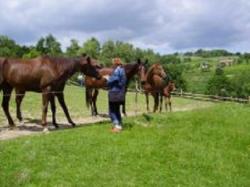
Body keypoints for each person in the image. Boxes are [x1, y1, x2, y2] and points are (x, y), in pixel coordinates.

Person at [104, 58, 127, 133]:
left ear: (115, 64)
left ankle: (117, 126)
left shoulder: (117, 71)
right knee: (117, 110)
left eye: (113, 64)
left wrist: (107, 78)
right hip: (120, 94)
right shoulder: (123, 70)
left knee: (112, 111)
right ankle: (120, 125)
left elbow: (112, 80)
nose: (112, 65)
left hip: (114, 94)